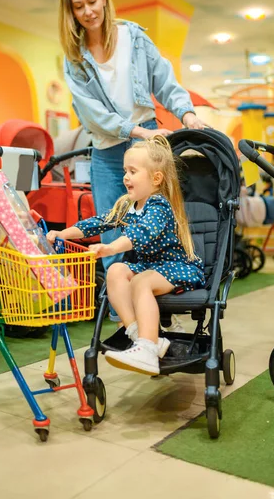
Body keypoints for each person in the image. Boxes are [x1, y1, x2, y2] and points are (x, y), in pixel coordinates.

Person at [58, 0, 206, 326]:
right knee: (113, 228)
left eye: (92, 1)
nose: (88, 11)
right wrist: (131, 129)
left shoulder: (134, 39)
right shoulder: (75, 58)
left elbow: (165, 80)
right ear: (72, 12)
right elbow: (91, 115)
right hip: (110, 152)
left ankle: (153, 300)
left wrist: (187, 115)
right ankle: (124, 318)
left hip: (149, 142)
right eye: (79, 6)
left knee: (157, 223)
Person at [47, 136, 205, 375]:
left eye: (132, 171)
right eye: (125, 171)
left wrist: (110, 248)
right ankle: (139, 335)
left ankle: (148, 348)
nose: (125, 177)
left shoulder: (159, 206)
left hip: (176, 267)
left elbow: (141, 233)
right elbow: (99, 223)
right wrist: (63, 233)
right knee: (115, 271)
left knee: (140, 281)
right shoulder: (127, 205)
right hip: (149, 267)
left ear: (156, 178)